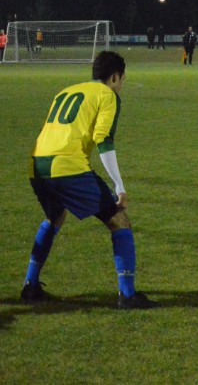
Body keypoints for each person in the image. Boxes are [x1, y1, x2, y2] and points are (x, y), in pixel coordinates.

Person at [21, 51, 158, 309]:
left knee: (55, 217)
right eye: (122, 79)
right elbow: (103, 140)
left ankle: (30, 285)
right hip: (67, 167)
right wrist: (119, 185)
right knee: (119, 221)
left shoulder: (66, 91)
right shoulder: (108, 96)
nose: (122, 84)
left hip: (37, 164)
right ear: (115, 77)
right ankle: (127, 296)